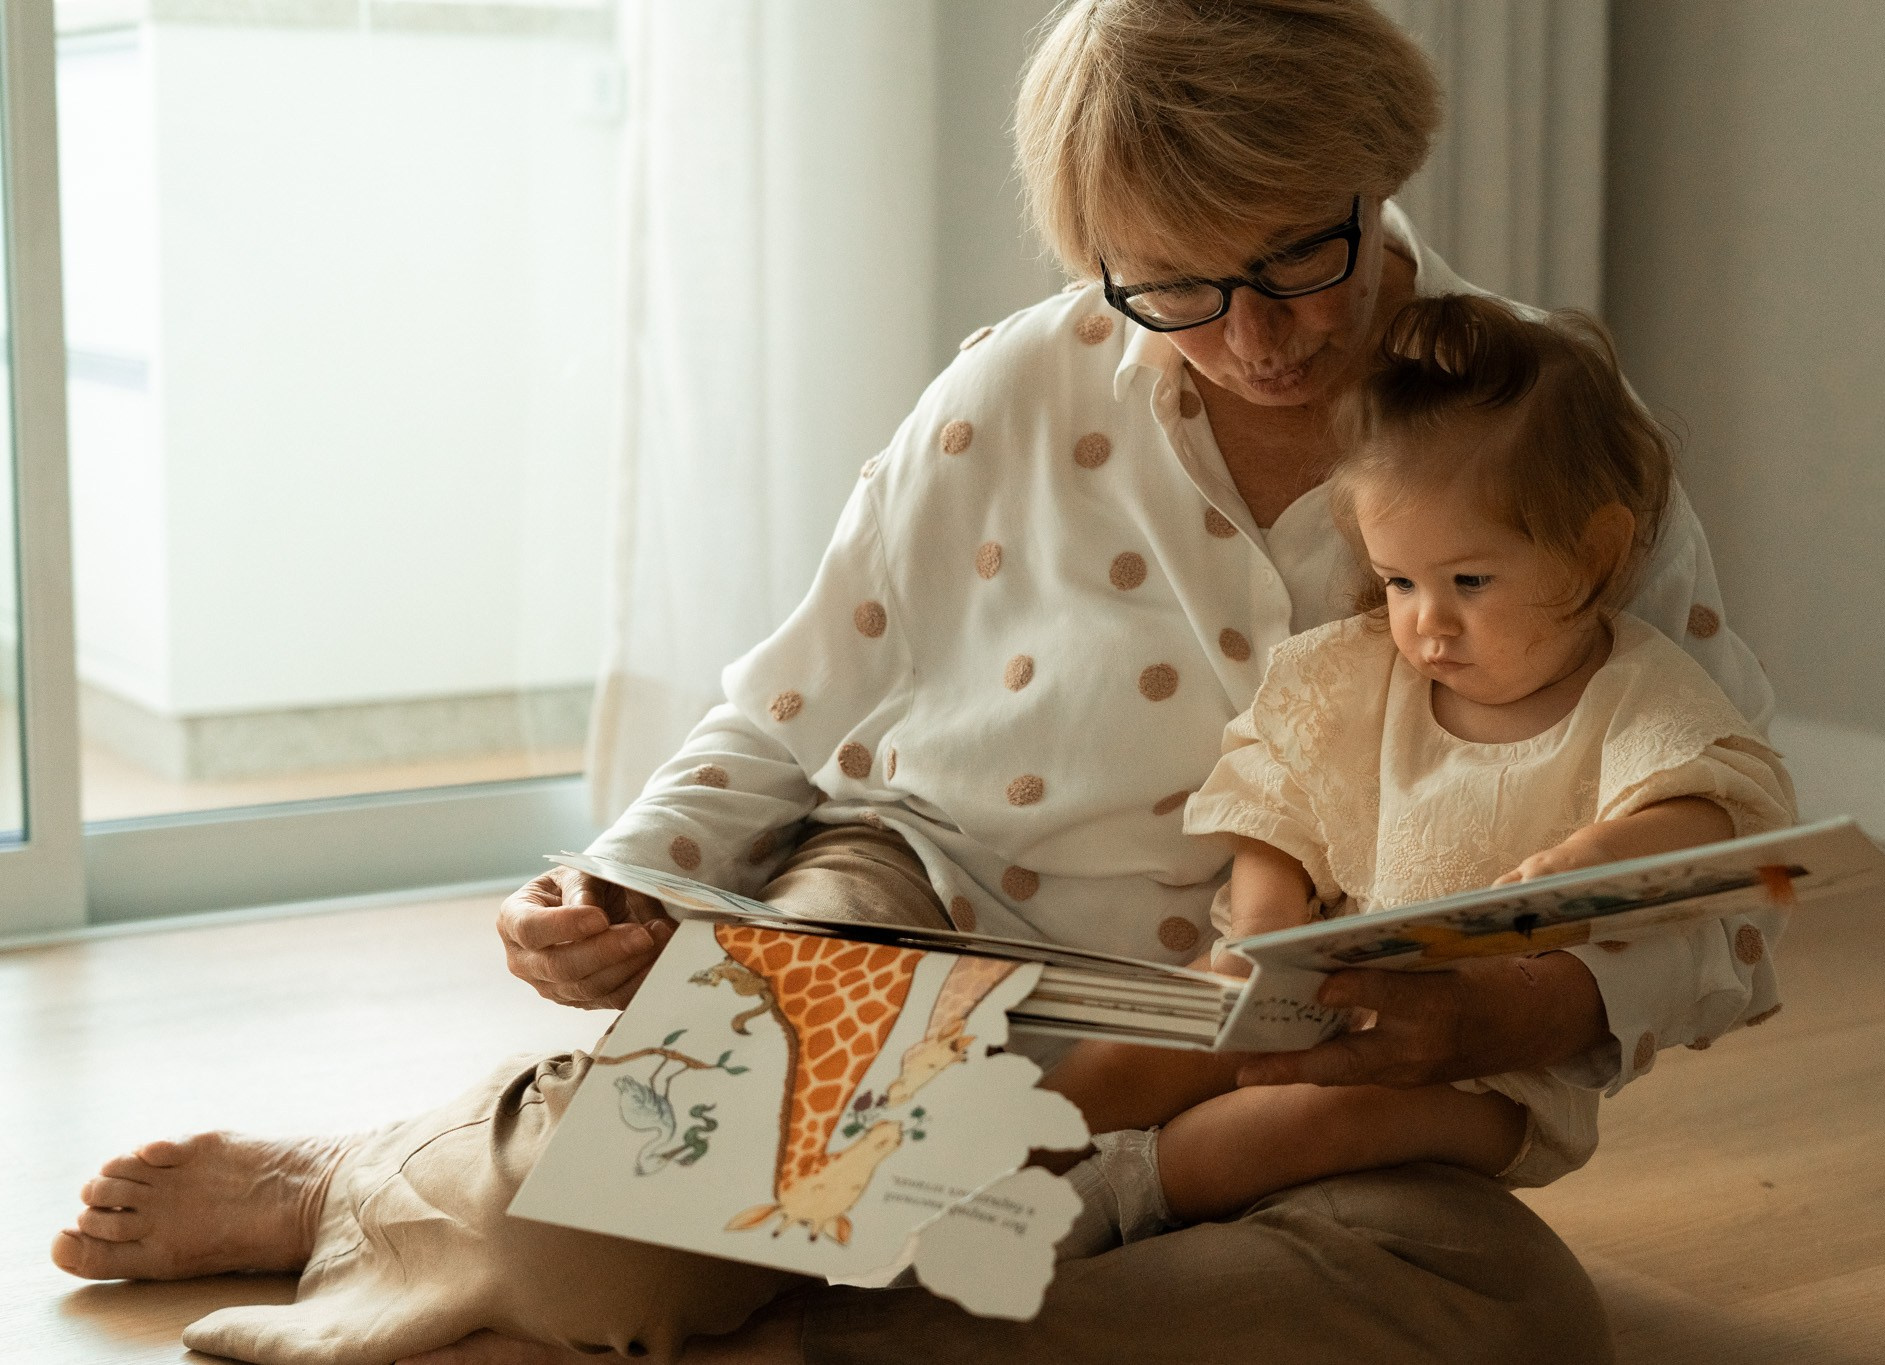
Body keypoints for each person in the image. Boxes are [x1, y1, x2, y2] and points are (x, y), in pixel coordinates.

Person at [52, 3, 1779, 1361]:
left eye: (1293, 257)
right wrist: (623, 882)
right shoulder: (1014, 393)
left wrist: (1516, 1012)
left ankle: (723, 1313)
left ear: (1376, 170)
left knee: (1495, 1315)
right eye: (1171, 285)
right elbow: (789, 704)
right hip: (936, 924)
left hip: (1287, 1073)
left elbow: (1715, 872)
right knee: (605, 1229)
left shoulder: (1538, 431)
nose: (1254, 335)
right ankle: (374, 1180)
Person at [1040, 294, 1796, 1249]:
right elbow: (1272, 798)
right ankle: (993, 1148)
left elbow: (1722, 808)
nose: (1426, 622)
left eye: (1468, 582)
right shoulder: (1363, 675)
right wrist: (1268, 925)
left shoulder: (1633, 694)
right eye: (1401, 581)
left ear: (1593, 550)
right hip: (1334, 980)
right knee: (1172, 1018)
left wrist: (1601, 854)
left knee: (1319, 1117)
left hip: (1493, 1077)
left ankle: (1107, 1202)